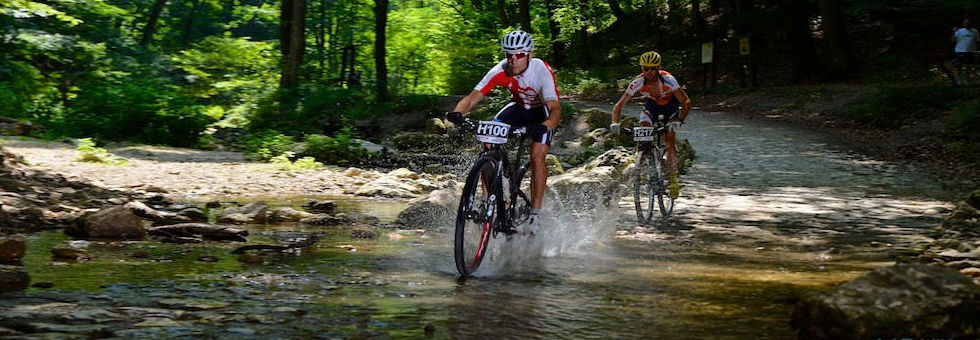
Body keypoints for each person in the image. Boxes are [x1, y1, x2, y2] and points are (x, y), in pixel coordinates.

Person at [445, 30, 561, 235]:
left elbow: (555, 109)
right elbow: (472, 99)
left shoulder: (541, 69)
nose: (513, 59)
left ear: (529, 55)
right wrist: (457, 113)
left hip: (540, 111)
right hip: (517, 108)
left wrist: (547, 125)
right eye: (509, 54)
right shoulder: (500, 70)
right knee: (487, 141)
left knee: (537, 155)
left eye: (519, 55)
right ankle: (488, 198)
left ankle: (535, 214)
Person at [609, 51, 692, 200]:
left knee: (669, 141)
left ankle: (673, 178)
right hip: (652, 106)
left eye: (652, 69)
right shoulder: (637, 82)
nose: (649, 72)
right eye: (645, 69)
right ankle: (645, 158)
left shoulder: (668, 80)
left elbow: (686, 102)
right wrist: (615, 123)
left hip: (670, 107)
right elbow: (618, 105)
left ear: (658, 68)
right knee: (642, 129)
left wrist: (679, 120)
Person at [952, 19, 979, 85]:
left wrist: (976, 50)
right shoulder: (959, 31)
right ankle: (958, 81)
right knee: (958, 66)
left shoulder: (975, 31)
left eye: (969, 23)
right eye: (966, 23)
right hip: (960, 51)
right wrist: (954, 32)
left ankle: (967, 80)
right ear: (963, 24)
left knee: (968, 66)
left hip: (971, 51)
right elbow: (952, 40)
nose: (967, 25)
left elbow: (977, 40)